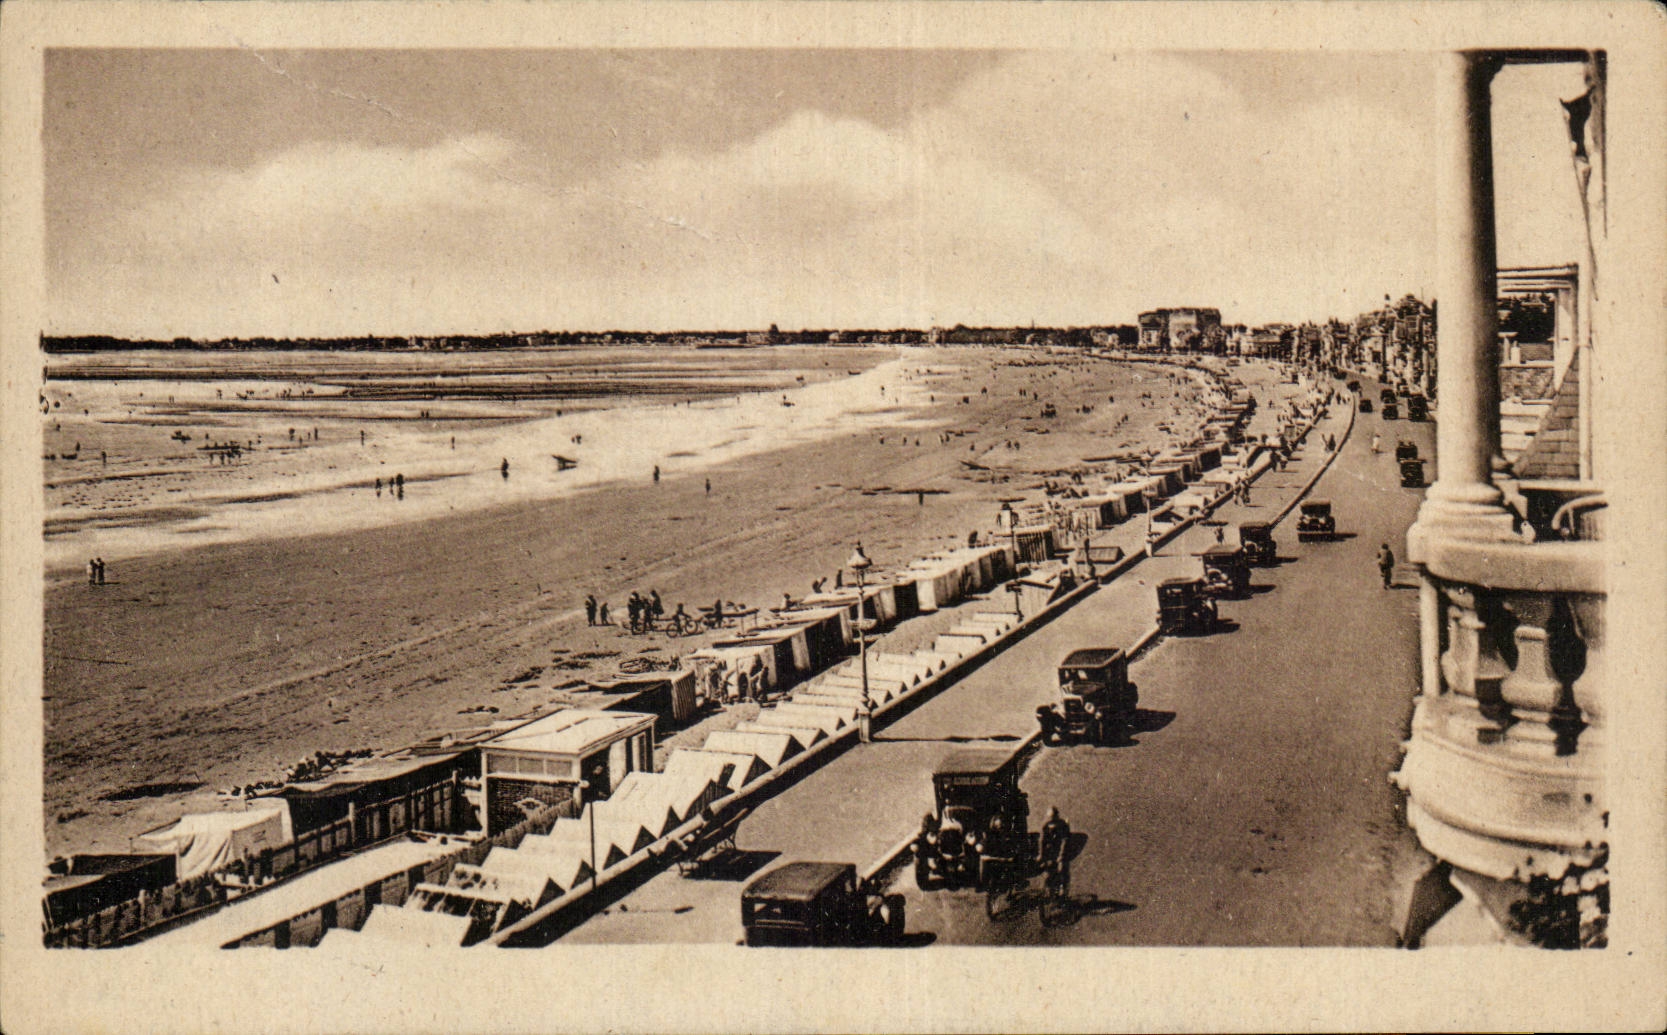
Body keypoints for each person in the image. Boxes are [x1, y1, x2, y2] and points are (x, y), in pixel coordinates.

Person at [1039, 806, 1072, 898]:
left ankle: (1063, 889)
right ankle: (1050, 890)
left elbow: (1064, 841)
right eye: (1050, 818)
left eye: (1053, 817)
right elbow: (1042, 841)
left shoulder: (1063, 825)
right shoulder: (1045, 826)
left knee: (1062, 869)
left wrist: (1061, 855)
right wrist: (1041, 855)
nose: (1051, 820)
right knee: (1048, 871)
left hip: (1061, 851)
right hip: (1051, 852)